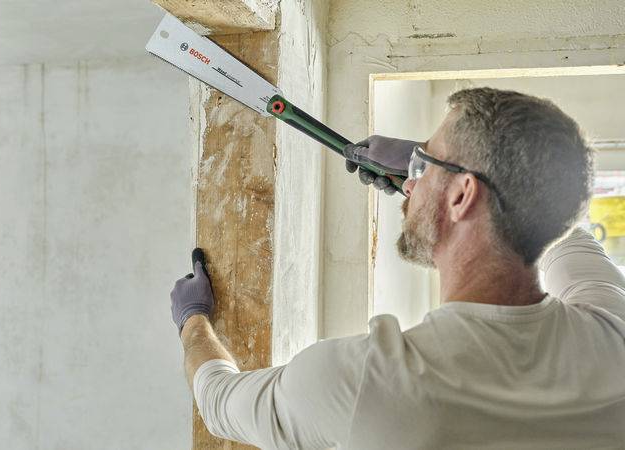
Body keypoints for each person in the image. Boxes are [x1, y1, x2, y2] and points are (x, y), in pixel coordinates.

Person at [169, 87, 625, 449]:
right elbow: (559, 228)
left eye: (422, 160)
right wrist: (435, 184)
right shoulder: (612, 336)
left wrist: (194, 321)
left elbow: (218, 401)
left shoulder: (364, 381)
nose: (410, 176)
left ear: (464, 194)